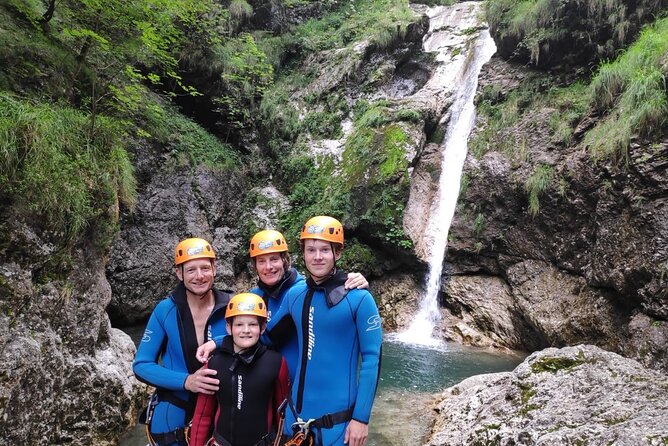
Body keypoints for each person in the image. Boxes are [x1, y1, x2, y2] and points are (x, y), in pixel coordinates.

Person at [195, 229, 369, 383]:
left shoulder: (303, 292)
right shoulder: (253, 298)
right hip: (266, 385)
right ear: (254, 266)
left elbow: (329, 293)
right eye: (261, 261)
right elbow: (255, 335)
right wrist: (216, 343)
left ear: (285, 260)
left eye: (274, 259)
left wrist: (348, 281)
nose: (268, 267)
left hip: (302, 387)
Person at [268, 216, 382, 446]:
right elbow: (266, 337)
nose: (317, 256)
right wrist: (218, 343)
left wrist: (361, 419)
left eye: (324, 250)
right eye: (311, 250)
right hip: (294, 421)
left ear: (337, 253)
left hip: (338, 426)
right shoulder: (295, 295)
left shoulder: (359, 298)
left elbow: (372, 360)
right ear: (303, 253)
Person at [133, 237, 232, 446]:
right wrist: (187, 381)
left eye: (205, 268)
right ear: (179, 273)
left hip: (222, 414)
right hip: (175, 413)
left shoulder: (233, 307)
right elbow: (141, 365)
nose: (199, 276)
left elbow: (258, 339)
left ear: (215, 269)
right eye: (191, 270)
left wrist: (219, 341)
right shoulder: (165, 311)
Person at [189, 292, 290, 446]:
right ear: (228, 328)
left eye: (253, 324)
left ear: (262, 328)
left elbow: (282, 412)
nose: (246, 330)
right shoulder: (214, 364)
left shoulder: (275, 363)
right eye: (239, 324)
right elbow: (203, 415)